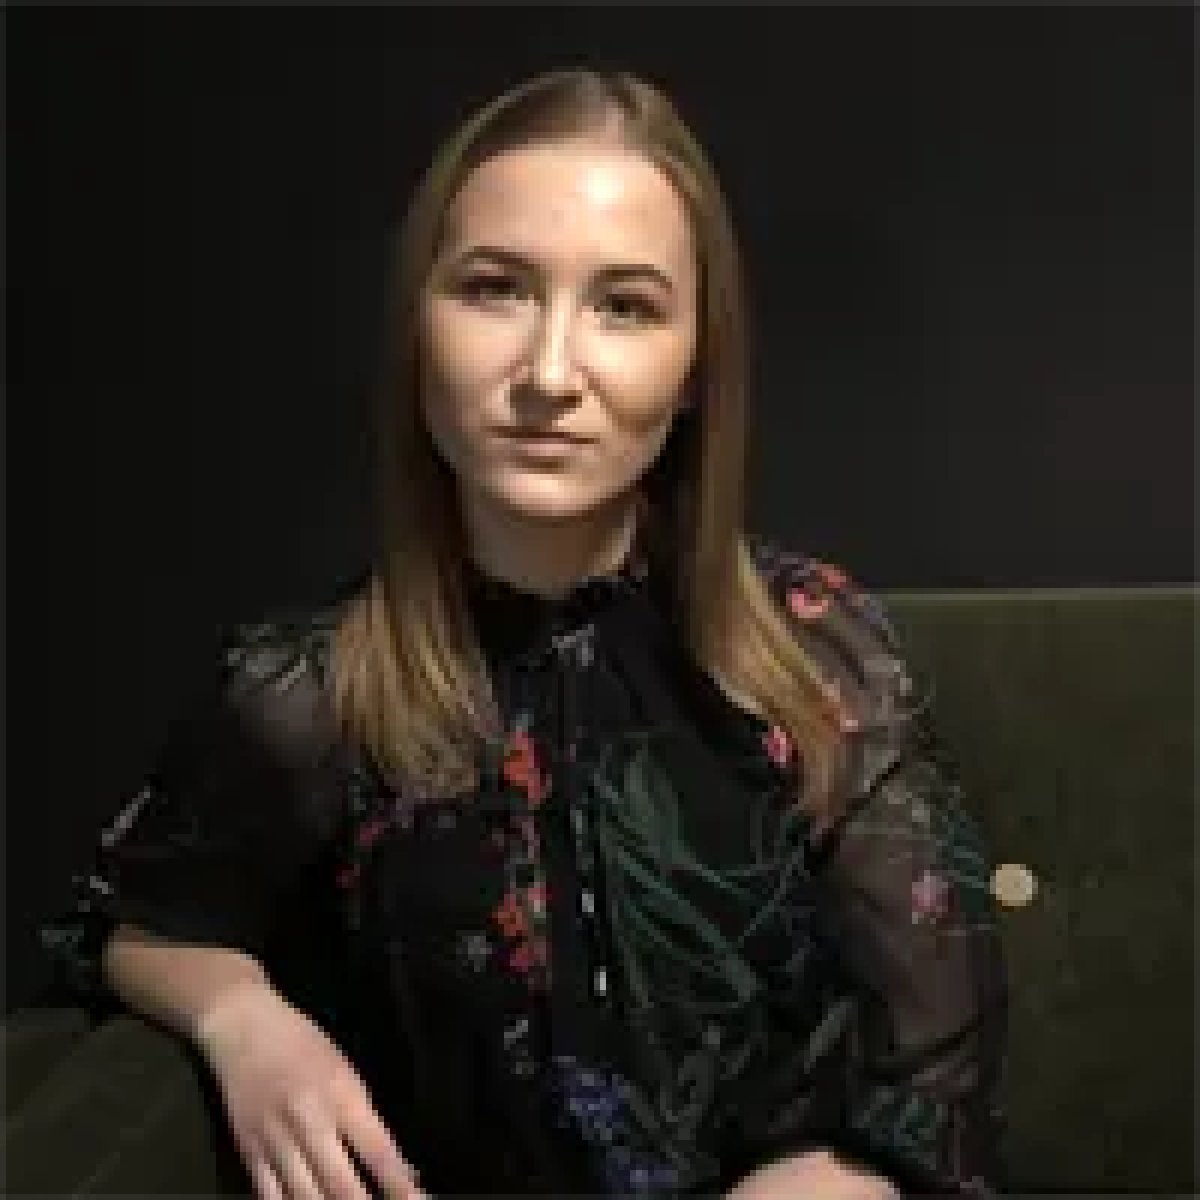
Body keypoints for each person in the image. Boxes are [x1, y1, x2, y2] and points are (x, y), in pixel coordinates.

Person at [41, 68, 1009, 1199]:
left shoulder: (820, 655)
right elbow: (126, 925)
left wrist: (828, 1178)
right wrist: (243, 1020)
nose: (549, 375)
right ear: (419, 328)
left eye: (625, 307)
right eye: (495, 290)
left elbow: (934, 1058)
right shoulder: (308, 690)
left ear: (695, 369)